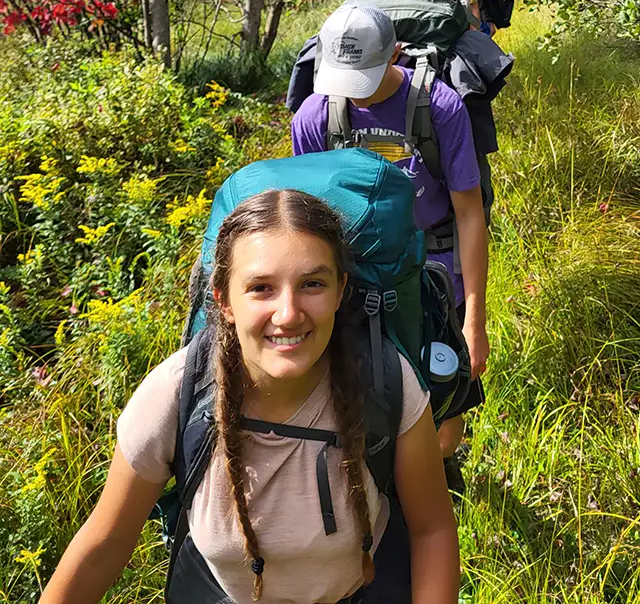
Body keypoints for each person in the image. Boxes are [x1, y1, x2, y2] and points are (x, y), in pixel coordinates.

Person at [39, 190, 459, 604]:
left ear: (340, 290)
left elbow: (432, 531)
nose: (289, 313)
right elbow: (103, 547)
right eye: (261, 288)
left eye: (312, 283)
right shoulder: (175, 394)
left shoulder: (385, 382)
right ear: (224, 300)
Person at [291, 5, 489, 474]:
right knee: (360, 398)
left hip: (435, 275)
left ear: (396, 53)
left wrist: (474, 319)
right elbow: (305, 216)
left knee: (445, 409)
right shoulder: (315, 114)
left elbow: (469, 212)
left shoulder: (439, 106)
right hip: (353, 275)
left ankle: (439, 478)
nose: (351, 89)